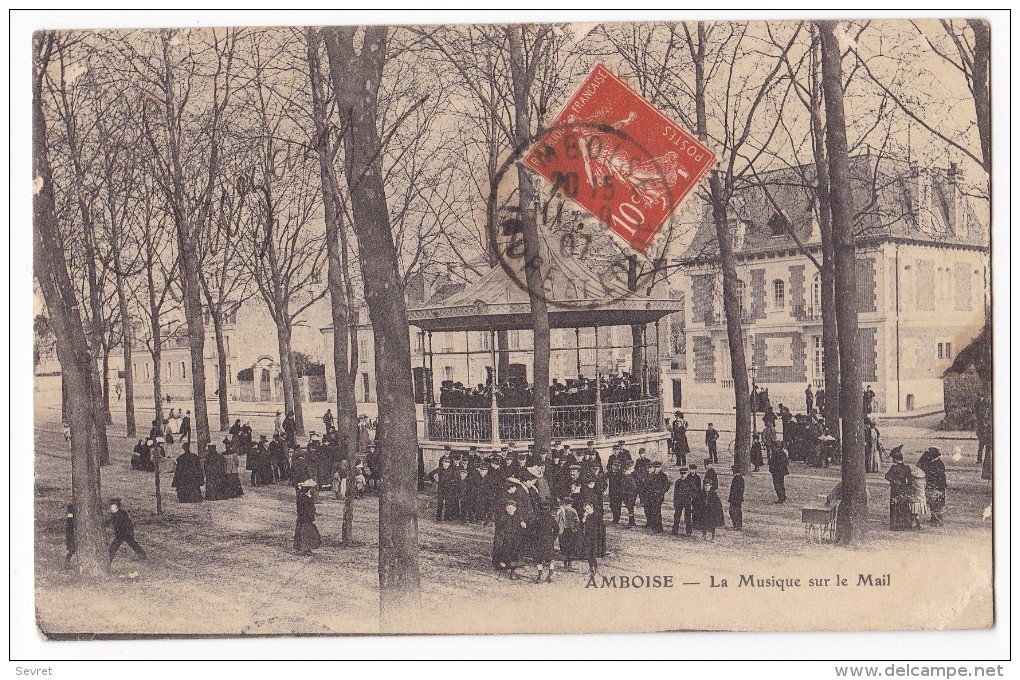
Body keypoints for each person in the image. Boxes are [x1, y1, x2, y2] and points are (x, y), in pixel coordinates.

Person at [105, 498, 146, 564]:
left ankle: (142, 555)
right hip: (120, 533)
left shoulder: (122, 513)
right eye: (111, 505)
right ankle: (109, 559)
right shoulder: (113, 514)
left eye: (113, 505)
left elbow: (128, 523)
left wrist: (130, 532)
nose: (111, 507)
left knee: (132, 544)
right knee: (115, 546)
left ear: (117, 506)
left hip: (126, 532)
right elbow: (109, 521)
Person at [493, 498, 526, 578]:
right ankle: (502, 569)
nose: (509, 510)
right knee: (505, 555)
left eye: (511, 508)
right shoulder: (503, 517)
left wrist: (522, 523)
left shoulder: (518, 517)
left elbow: (522, 525)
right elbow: (499, 528)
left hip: (515, 539)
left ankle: (512, 572)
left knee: (514, 556)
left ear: (515, 509)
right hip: (506, 539)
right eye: (507, 508)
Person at [883, 446, 913, 530]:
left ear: (895, 459)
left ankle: (895, 524)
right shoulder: (907, 468)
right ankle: (906, 524)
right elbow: (910, 480)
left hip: (896, 489)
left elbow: (887, 476)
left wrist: (894, 481)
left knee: (895, 506)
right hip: (904, 489)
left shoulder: (894, 467)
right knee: (904, 506)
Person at [918, 447, 947, 527]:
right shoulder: (935, 462)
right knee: (934, 504)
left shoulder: (937, 464)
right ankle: (935, 519)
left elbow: (922, 467)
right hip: (936, 487)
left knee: (937, 504)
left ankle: (938, 520)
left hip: (937, 487)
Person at [531, 502, 559, 583]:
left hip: (539, 541)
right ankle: (550, 574)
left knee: (539, 559)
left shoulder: (537, 518)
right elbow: (556, 530)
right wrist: (552, 538)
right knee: (550, 558)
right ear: (549, 509)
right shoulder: (551, 518)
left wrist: (535, 538)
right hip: (548, 540)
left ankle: (540, 575)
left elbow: (533, 530)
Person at [294, 479, 322, 555]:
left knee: (301, 532)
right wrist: (312, 518)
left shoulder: (301, 495)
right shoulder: (305, 498)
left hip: (301, 518)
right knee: (307, 533)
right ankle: (305, 549)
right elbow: (308, 510)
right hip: (306, 518)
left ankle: (301, 548)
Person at [643, 461, 670, 532]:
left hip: (659, 497)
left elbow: (666, 486)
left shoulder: (663, 476)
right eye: (655, 467)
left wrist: (661, 492)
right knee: (652, 510)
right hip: (651, 496)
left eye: (658, 467)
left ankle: (659, 528)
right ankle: (653, 526)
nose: (656, 469)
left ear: (660, 468)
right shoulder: (651, 475)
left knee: (657, 511)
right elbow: (647, 485)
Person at [555, 496, 581, 571]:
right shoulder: (560, 511)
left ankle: (570, 564)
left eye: (569, 505)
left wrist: (576, 529)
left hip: (571, 531)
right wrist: (560, 511)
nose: (567, 506)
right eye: (566, 505)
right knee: (563, 547)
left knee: (571, 547)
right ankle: (565, 565)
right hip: (563, 531)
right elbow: (557, 519)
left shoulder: (573, 511)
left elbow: (577, 521)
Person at [428, 455, 455, 521]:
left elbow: (455, 478)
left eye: (448, 462)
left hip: (449, 489)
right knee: (440, 502)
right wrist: (434, 482)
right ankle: (438, 517)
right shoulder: (439, 469)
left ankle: (447, 517)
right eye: (445, 462)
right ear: (442, 462)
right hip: (441, 488)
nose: (447, 464)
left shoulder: (451, 470)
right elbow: (430, 474)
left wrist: (452, 484)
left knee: (448, 503)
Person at [671, 466, 696, 536]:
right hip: (679, 501)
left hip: (687, 501)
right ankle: (675, 531)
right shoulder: (677, 482)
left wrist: (691, 498)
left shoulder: (690, 482)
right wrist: (675, 501)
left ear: (686, 473)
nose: (683, 475)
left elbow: (694, 491)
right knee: (677, 516)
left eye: (684, 473)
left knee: (687, 517)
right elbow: (675, 492)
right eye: (681, 473)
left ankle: (688, 532)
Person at [580, 501, 601, 576]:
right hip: (587, 538)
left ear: (592, 508)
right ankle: (592, 569)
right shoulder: (587, 515)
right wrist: (585, 516)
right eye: (585, 509)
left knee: (591, 554)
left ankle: (593, 570)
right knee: (588, 554)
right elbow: (582, 523)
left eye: (588, 509)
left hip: (593, 538)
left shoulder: (595, 516)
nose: (586, 511)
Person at [908, 464, 927, 530]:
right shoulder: (923, 481)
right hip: (921, 498)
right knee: (916, 513)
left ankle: (913, 524)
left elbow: (911, 489)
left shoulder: (914, 482)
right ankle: (917, 524)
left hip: (915, 498)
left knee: (913, 512)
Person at [728, 465, 745, 530]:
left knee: (733, 512)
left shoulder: (736, 478)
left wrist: (731, 499)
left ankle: (736, 525)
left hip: (735, 499)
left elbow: (734, 490)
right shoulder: (740, 478)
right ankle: (738, 525)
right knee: (737, 512)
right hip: (738, 499)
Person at [64, 503, 76, 568]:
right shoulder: (70, 517)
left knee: (71, 551)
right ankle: (66, 563)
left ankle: (67, 563)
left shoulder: (69, 516)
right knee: (71, 551)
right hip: (71, 537)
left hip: (70, 537)